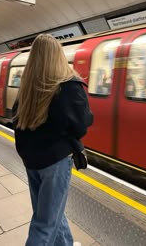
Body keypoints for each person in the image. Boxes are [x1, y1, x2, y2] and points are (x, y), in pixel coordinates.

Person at [12, 34, 93, 246]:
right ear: (58, 55)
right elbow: (81, 124)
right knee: (44, 223)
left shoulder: (27, 87)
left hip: (31, 160)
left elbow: (17, 120)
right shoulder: (68, 86)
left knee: (50, 211)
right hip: (55, 162)